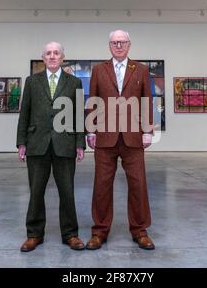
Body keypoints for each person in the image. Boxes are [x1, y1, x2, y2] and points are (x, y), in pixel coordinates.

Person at [86, 30, 155, 250]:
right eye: (115, 42)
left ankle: (140, 231)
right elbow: (93, 100)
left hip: (133, 137)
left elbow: (146, 100)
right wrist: (90, 130)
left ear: (129, 45)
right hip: (105, 138)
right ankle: (99, 231)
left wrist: (148, 130)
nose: (118, 46)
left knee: (138, 184)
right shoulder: (99, 70)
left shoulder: (141, 69)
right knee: (102, 185)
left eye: (122, 42)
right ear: (109, 45)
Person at [16, 42, 86, 252]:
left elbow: (78, 115)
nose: (53, 56)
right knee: (36, 192)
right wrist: (21, 142)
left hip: (65, 144)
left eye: (56, 53)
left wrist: (80, 143)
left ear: (62, 57)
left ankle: (70, 234)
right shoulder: (31, 81)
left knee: (67, 192)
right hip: (37, 144)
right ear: (43, 58)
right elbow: (24, 113)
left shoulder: (74, 83)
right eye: (49, 53)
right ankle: (34, 234)